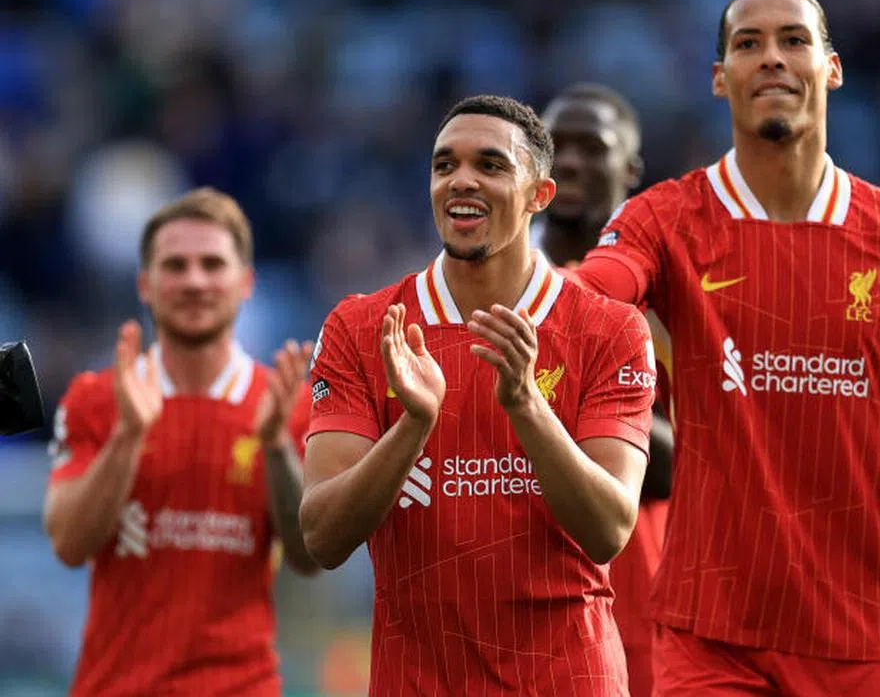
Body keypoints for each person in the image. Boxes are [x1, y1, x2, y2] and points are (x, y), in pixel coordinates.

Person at [571, 0, 880, 695]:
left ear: (832, 67)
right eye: (748, 44)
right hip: (710, 637)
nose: (772, 57)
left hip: (862, 632)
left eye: (793, 40)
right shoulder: (666, 218)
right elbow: (595, 291)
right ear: (720, 79)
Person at [299, 94, 658, 696]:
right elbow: (322, 537)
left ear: (540, 195)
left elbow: (609, 528)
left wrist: (525, 404)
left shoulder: (610, 328)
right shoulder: (362, 327)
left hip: (567, 681)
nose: (461, 180)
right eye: (445, 166)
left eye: (490, 165)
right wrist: (411, 428)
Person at [44, 188, 318, 696]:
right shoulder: (96, 398)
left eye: (212, 264)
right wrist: (128, 435)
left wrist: (277, 445)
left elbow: (308, 558)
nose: (194, 281)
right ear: (145, 285)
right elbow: (68, 543)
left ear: (246, 283)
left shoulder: (287, 404)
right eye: (176, 266)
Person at [540, 82, 672, 697]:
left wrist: (554, 414)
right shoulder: (475, 282)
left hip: (639, 588)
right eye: (553, 145)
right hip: (512, 577)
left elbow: (710, 453)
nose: (567, 160)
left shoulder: (669, 295)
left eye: (590, 147)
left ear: (631, 168)